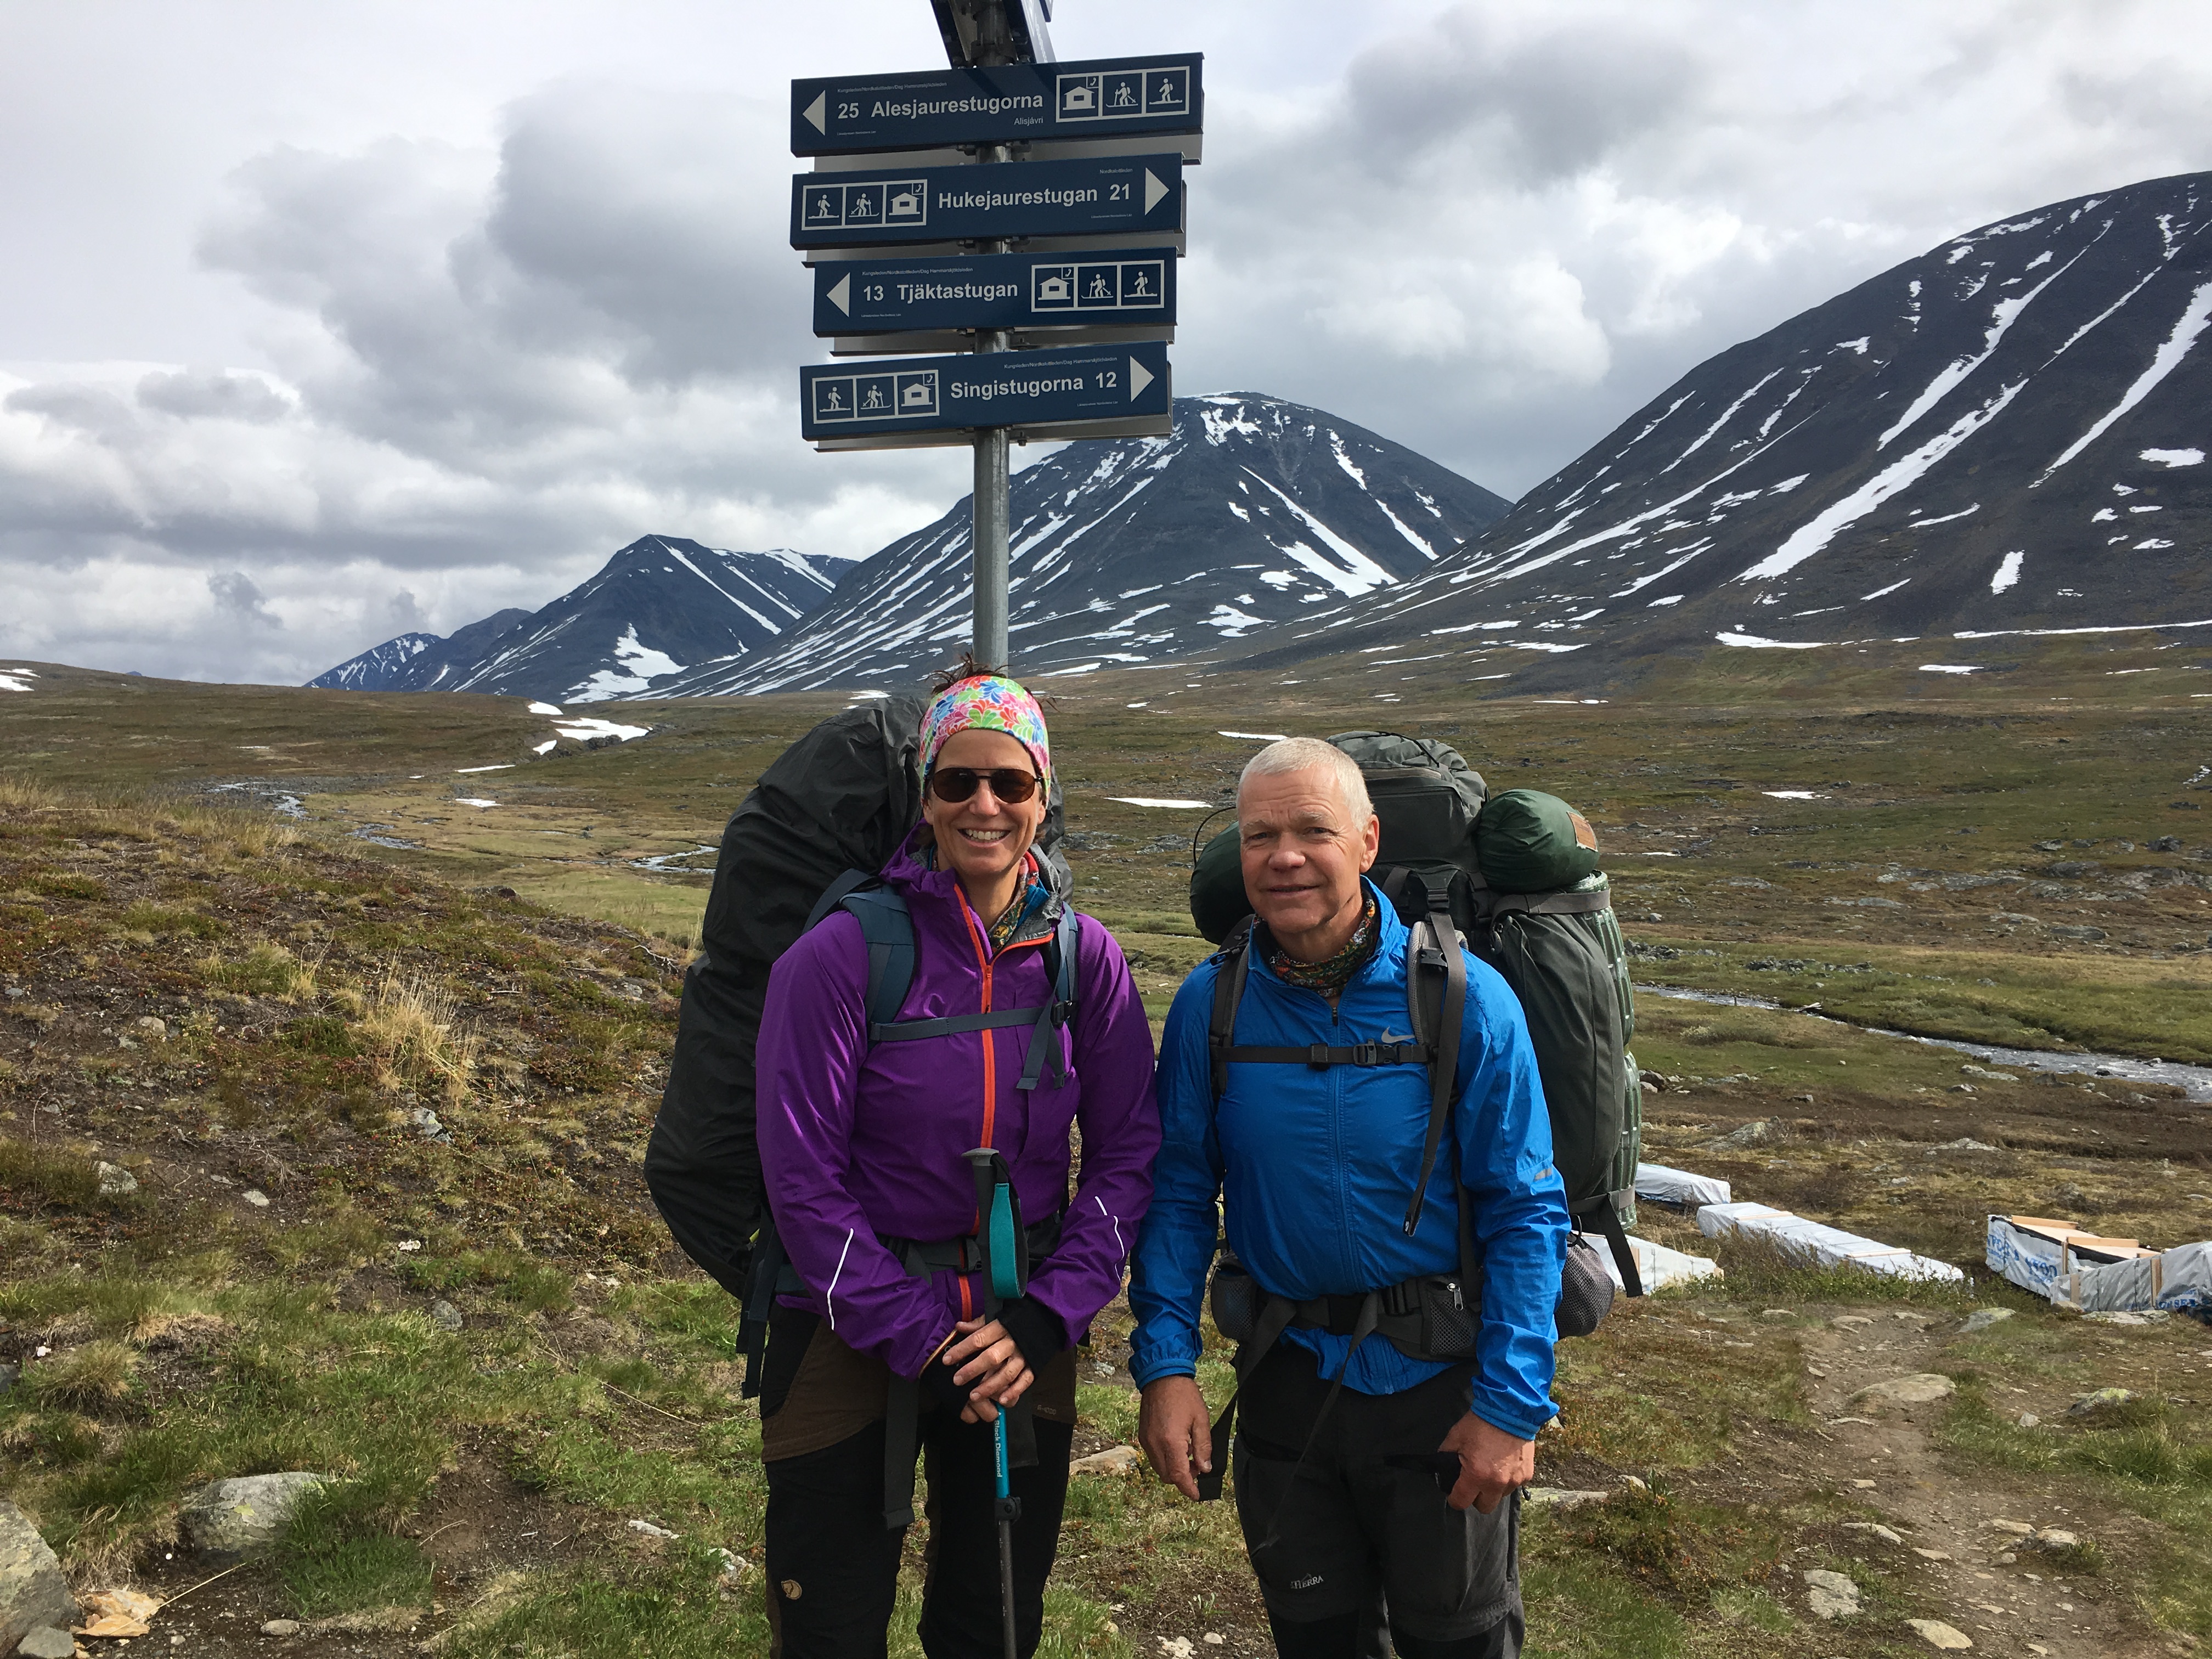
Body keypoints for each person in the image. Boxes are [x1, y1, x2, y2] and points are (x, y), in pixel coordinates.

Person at [1129, 737, 1569, 1659]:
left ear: (1368, 842)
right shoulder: (1212, 1008)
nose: (1284, 856)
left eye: (1312, 831)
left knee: (1459, 1641)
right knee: (1315, 1639)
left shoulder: (1463, 998)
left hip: (1441, 1391)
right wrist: (1166, 1370)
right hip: (1286, 1388)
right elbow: (1177, 1194)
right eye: (1260, 836)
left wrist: (1511, 1407)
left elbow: (1525, 1210)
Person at [755, 668, 1161, 1658]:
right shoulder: (842, 956)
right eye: (959, 781)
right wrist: (925, 1336)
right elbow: (801, 1181)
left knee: (994, 1622)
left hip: (1022, 1325)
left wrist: (1043, 1318)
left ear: (1043, 797)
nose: (985, 805)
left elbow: (1128, 1152)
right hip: (848, 1326)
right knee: (830, 1629)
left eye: (1011, 785)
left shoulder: (1085, 958)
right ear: (925, 796)